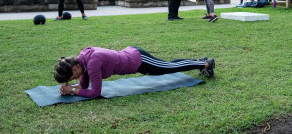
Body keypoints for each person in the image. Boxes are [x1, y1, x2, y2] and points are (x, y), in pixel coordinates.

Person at [54, 46, 215, 98]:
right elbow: (84, 82)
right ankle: (199, 62)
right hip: (133, 56)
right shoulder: (82, 58)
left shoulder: (93, 63)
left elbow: (95, 92)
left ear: (74, 68)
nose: (74, 78)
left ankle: (206, 64)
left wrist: (74, 91)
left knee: (168, 68)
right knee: (167, 66)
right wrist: (73, 87)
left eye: (72, 76)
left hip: (138, 60)